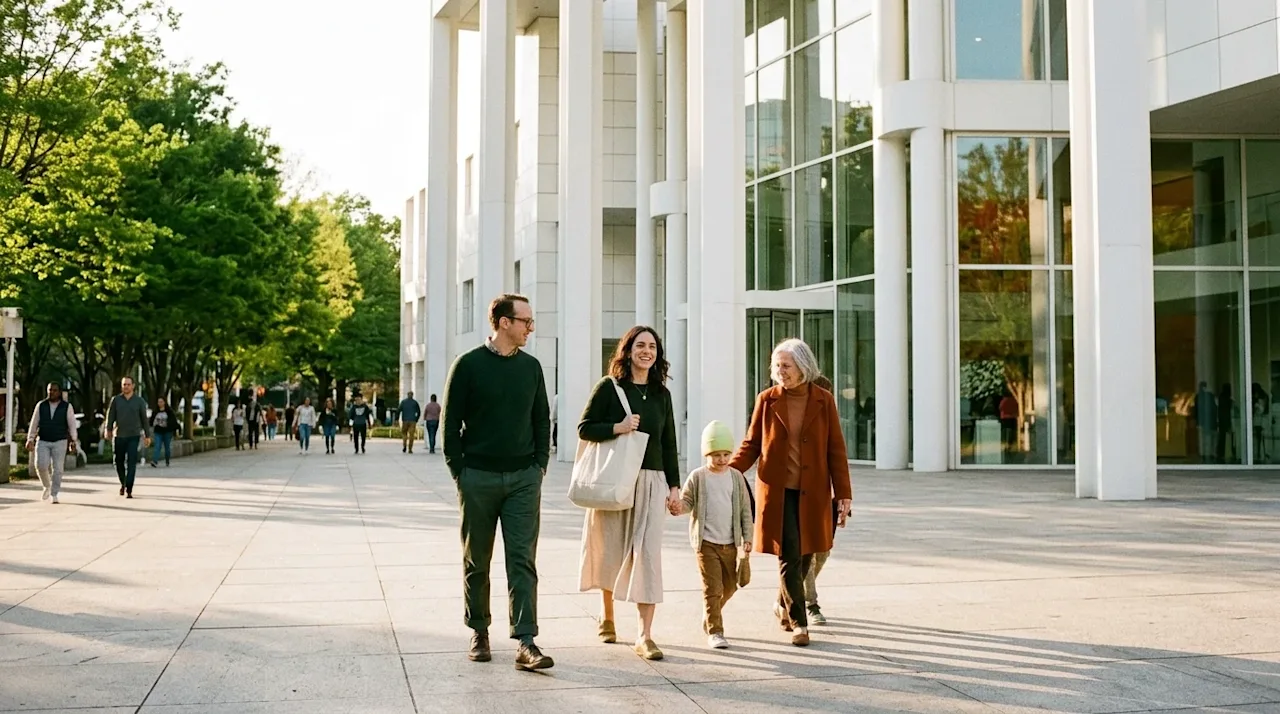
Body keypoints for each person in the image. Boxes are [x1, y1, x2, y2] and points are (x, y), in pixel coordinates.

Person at [442, 293, 552, 671]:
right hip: (478, 478)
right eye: (525, 321)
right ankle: (479, 630)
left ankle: (525, 640)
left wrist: (539, 466)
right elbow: (450, 424)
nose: (530, 328)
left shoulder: (532, 367)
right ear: (504, 322)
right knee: (478, 559)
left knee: (523, 559)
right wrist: (460, 472)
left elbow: (542, 420)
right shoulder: (468, 365)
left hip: (524, 478)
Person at [731, 339, 852, 647]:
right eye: (776, 366)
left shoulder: (823, 400)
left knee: (807, 553)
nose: (780, 371)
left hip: (814, 492)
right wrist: (728, 470)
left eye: (786, 366)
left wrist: (844, 493)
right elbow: (752, 443)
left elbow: (836, 449)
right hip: (778, 491)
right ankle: (800, 623)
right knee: (790, 554)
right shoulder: (767, 399)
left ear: (803, 367)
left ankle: (782, 605)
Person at [577, 326, 680, 661]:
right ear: (628, 350)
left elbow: (669, 443)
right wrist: (616, 428)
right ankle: (607, 616)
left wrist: (674, 487)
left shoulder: (662, 395)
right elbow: (584, 427)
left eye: (652, 346)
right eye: (640, 345)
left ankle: (644, 635)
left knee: (648, 556)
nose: (646, 351)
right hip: (615, 479)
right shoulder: (609, 388)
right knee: (611, 548)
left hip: (651, 481)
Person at [673, 420, 753, 650]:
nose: (722, 459)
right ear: (707, 453)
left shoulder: (736, 477)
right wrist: (678, 507)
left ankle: (710, 615)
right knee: (713, 588)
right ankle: (716, 630)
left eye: (726, 454)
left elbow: (745, 510)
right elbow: (688, 501)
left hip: (729, 543)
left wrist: (747, 537)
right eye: (716, 454)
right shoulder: (698, 477)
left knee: (730, 587)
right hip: (706, 543)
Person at [26, 382, 78, 504]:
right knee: (40, 465)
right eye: (50, 390)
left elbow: (72, 425)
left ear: (59, 392)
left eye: (54, 390)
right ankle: (46, 486)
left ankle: (54, 493)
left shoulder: (66, 407)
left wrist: (74, 441)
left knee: (58, 469)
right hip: (43, 439)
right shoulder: (41, 405)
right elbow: (34, 422)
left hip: (60, 440)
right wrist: (30, 439)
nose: (52, 392)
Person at [104, 377, 153, 499]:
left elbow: (144, 420)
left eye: (128, 384)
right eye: (124, 384)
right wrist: (108, 429)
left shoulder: (139, 401)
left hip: (133, 435)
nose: (126, 386)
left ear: (133, 386)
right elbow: (111, 416)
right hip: (119, 434)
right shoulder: (116, 400)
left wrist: (147, 435)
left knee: (132, 462)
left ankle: (129, 488)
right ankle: (123, 482)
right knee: (118, 461)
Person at [149, 397, 179, 468]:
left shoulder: (169, 411)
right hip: (158, 432)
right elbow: (151, 421)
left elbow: (173, 421)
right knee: (157, 446)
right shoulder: (155, 411)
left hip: (167, 432)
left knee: (167, 447)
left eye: (161, 402)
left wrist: (170, 427)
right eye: (159, 402)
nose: (160, 403)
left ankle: (167, 460)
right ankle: (155, 461)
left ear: (164, 402)